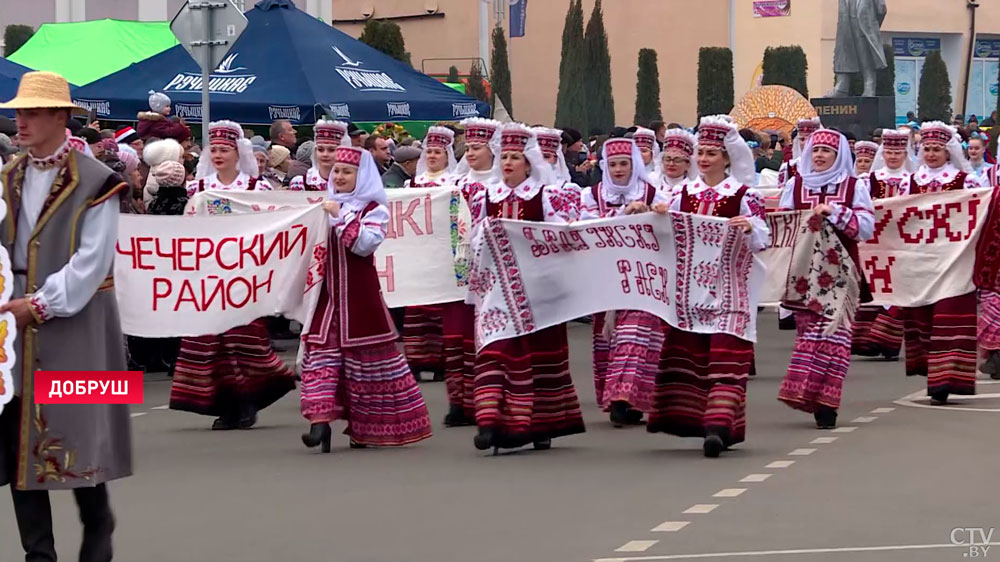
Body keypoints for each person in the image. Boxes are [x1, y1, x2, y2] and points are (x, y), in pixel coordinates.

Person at [0, 70, 132, 562]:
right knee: (16, 434)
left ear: (60, 116)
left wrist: (41, 303)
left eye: (32, 112)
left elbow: (94, 261)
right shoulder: (8, 176)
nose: (21, 121)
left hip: (78, 321)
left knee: (77, 426)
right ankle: (39, 552)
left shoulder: (97, 181)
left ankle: (97, 521)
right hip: (11, 325)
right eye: (18, 112)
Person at [646, 116, 768, 457]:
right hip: (692, 291)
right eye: (701, 152)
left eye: (712, 153)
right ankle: (707, 422)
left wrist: (749, 228)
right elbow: (663, 236)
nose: (704, 159)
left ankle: (718, 425)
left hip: (732, 287)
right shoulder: (682, 193)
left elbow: (763, 238)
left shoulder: (744, 195)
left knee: (727, 355)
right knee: (695, 355)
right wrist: (655, 214)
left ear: (727, 158)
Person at [299, 145, 432, 452]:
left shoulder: (374, 209)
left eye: (348, 171)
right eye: (338, 171)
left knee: (366, 367)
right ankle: (319, 423)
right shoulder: (322, 205)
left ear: (363, 176)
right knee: (322, 359)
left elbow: (365, 245)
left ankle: (367, 428)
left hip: (360, 299)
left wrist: (341, 216)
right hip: (326, 298)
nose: (341, 176)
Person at [467, 123, 584, 453]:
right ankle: (489, 421)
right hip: (498, 290)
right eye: (504, 156)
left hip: (537, 288)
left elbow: (561, 235)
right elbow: (474, 240)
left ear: (529, 163)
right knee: (495, 351)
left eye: (515, 157)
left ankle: (541, 422)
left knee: (537, 355)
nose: (507, 163)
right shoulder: (487, 195)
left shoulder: (546, 195)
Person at [169, 121, 294, 429]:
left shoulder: (256, 188)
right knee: (211, 342)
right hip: (209, 275)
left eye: (225, 149)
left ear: (239, 153)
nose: (219, 155)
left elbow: (272, 227)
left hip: (244, 274)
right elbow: (188, 230)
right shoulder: (198, 189)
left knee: (243, 338)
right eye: (214, 150)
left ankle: (248, 401)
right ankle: (226, 406)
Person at [777, 129, 874, 429]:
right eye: (815, 150)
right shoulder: (795, 185)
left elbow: (866, 227)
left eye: (826, 152)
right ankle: (810, 394)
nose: (819, 156)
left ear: (839, 156)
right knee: (810, 332)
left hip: (841, 271)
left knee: (837, 338)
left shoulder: (853, 186)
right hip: (804, 272)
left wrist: (835, 212)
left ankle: (827, 402)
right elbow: (782, 225)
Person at [582, 137, 669, 427]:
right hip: (605, 277)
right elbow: (586, 228)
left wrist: (653, 216)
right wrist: (622, 215)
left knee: (636, 334)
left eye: (624, 163)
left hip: (643, 276)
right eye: (613, 164)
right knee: (606, 339)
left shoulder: (653, 192)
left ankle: (624, 398)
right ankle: (621, 400)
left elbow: (668, 231)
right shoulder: (592, 194)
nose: (619, 169)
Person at [897, 121, 981, 405]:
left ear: (949, 152)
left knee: (949, 316)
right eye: (927, 148)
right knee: (924, 318)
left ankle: (944, 380)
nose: (931, 154)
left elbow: (980, 215)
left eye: (937, 149)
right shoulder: (910, 181)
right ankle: (933, 371)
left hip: (955, 259)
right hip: (920, 260)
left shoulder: (965, 181)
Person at [446, 117, 502, 426]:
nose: (470, 153)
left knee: (487, 336)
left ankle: (486, 402)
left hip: (491, 271)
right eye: (467, 147)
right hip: (458, 270)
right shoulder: (455, 185)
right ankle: (459, 402)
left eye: (477, 147)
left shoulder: (497, 188)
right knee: (457, 336)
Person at [400, 126, 459, 381]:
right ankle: (415, 360)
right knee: (416, 309)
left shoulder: (454, 183)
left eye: (438, 152)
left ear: (447, 155)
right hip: (418, 254)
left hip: (443, 252)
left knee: (440, 310)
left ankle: (439, 363)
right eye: (430, 151)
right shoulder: (412, 183)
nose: (433, 156)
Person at [850, 130, 912, 360]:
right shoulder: (868, 180)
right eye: (889, 152)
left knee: (898, 288)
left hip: (900, 241)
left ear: (905, 154)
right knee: (873, 287)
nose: (893, 156)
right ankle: (865, 340)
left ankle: (887, 340)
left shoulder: (911, 180)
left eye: (897, 152)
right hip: (874, 243)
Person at [288, 119, 350, 191]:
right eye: (320, 150)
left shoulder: (353, 184)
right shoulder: (301, 183)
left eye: (331, 150)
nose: (325, 154)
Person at [777, 118, 821, 185]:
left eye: (810, 139)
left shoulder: (825, 165)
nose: (806, 143)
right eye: (802, 139)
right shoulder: (789, 167)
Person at [656, 128, 697, 193]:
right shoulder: (654, 184)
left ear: (688, 164)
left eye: (677, 160)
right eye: (667, 159)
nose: (671, 164)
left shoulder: (692, 189)